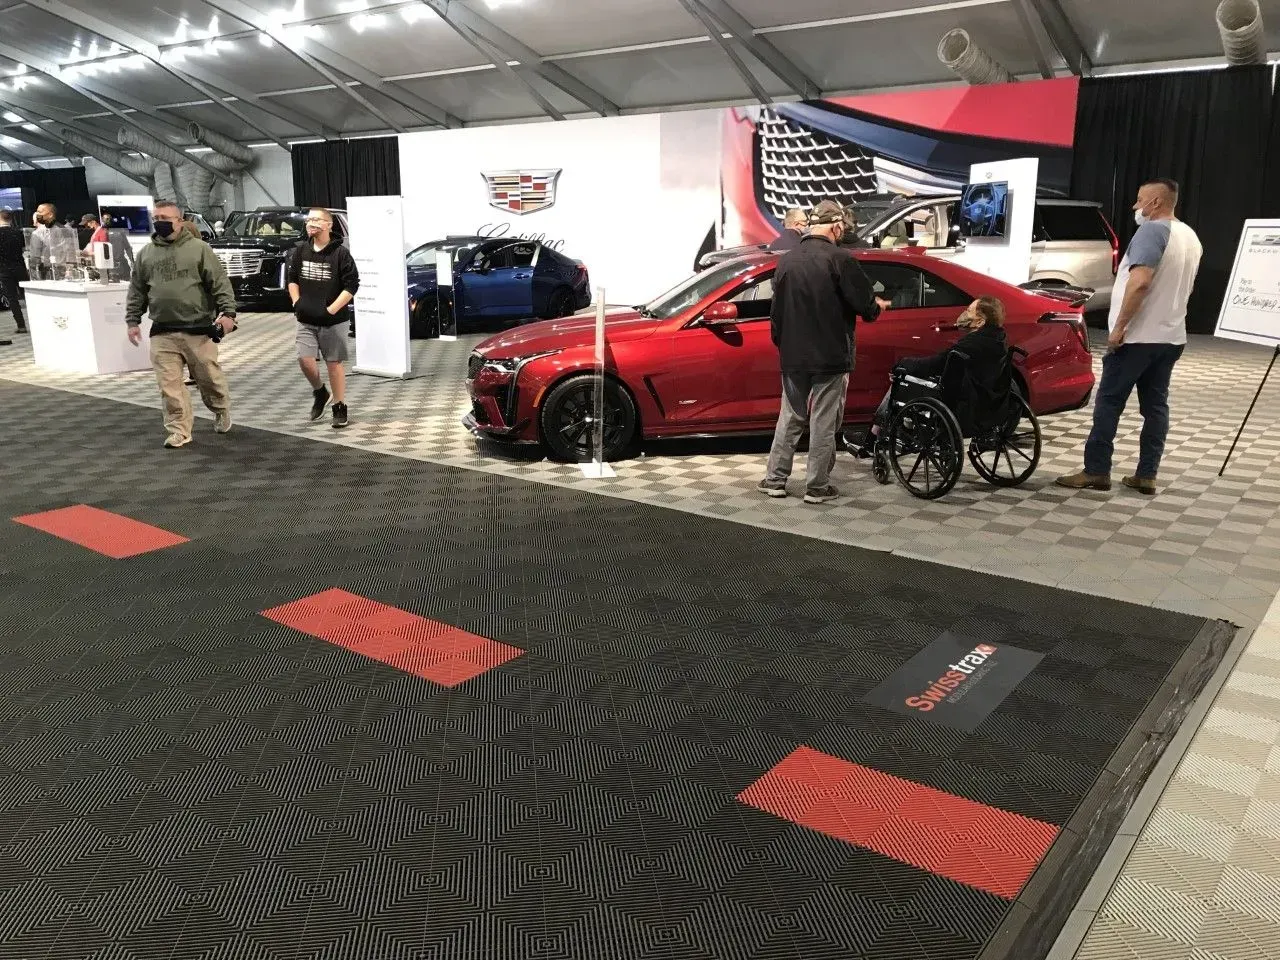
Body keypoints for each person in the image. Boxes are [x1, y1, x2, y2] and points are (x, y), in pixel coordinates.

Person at [1057, 178, 1202, 496]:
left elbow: (1140, 283)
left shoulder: (1152, 231)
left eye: (1140, 200)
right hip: (1171, 336)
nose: (1135, 207)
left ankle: (1097, 470)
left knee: (1109, 403)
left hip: (1137, 337)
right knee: (1155, 406)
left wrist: (1120, 327)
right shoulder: (1189, 236)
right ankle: (1147, 474)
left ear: (1156, 203)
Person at [759, 199, 891, 504]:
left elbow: (776, 314)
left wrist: (784, 345)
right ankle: (816, 487)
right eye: (842, 227)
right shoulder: (841, 260)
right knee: (824, 421)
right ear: (835, 226)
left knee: (789, 417)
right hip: (831, 355)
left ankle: (775, 480)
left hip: (793, 355)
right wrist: (877, 307)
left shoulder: (786, 261)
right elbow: (865, 307)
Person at [125, 199, 238, 449]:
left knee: (209, 379)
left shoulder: (199, 249)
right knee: (169, 385)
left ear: (179, 220)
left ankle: (220, 409)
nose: (159, 222)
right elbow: (137, 290)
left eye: (165, 218)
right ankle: (179, 429)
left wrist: (228, 313)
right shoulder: (146, 254)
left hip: (198, 329)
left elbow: (219, 283)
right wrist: (132, 320)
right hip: (162, 331)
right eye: (156, 218)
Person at [853, 297, 1008, 455]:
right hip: (986, 403)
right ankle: (899, 429)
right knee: (911, 378)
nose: (964, 313)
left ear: (980, 322)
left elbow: (934, 365)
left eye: (969, 311)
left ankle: (873, 439)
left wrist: (902, 364)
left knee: (900, 381)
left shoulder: (969, 345)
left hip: (963, 406)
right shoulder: (999, 341)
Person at [287, 207, 360, 428]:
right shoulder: (300, 251)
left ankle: (339, 406)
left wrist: (332, 309)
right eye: (309, 220)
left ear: (328, 225)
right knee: (305, 359)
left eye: (317, 220)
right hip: (306, 319)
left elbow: (351, 285)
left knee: (333, 364)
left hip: (333, 321)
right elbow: (292, 279)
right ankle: (320, 392)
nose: (311, 223)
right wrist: (297, 302)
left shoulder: (340, 253)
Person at [0, 208, 28, 334]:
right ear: (11, 219)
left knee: (12, 298)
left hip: (4, 269)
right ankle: (38, 321)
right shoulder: (18, 232)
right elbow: (23, 248)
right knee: (28, 295)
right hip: (20, 267)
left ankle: (21, 325)